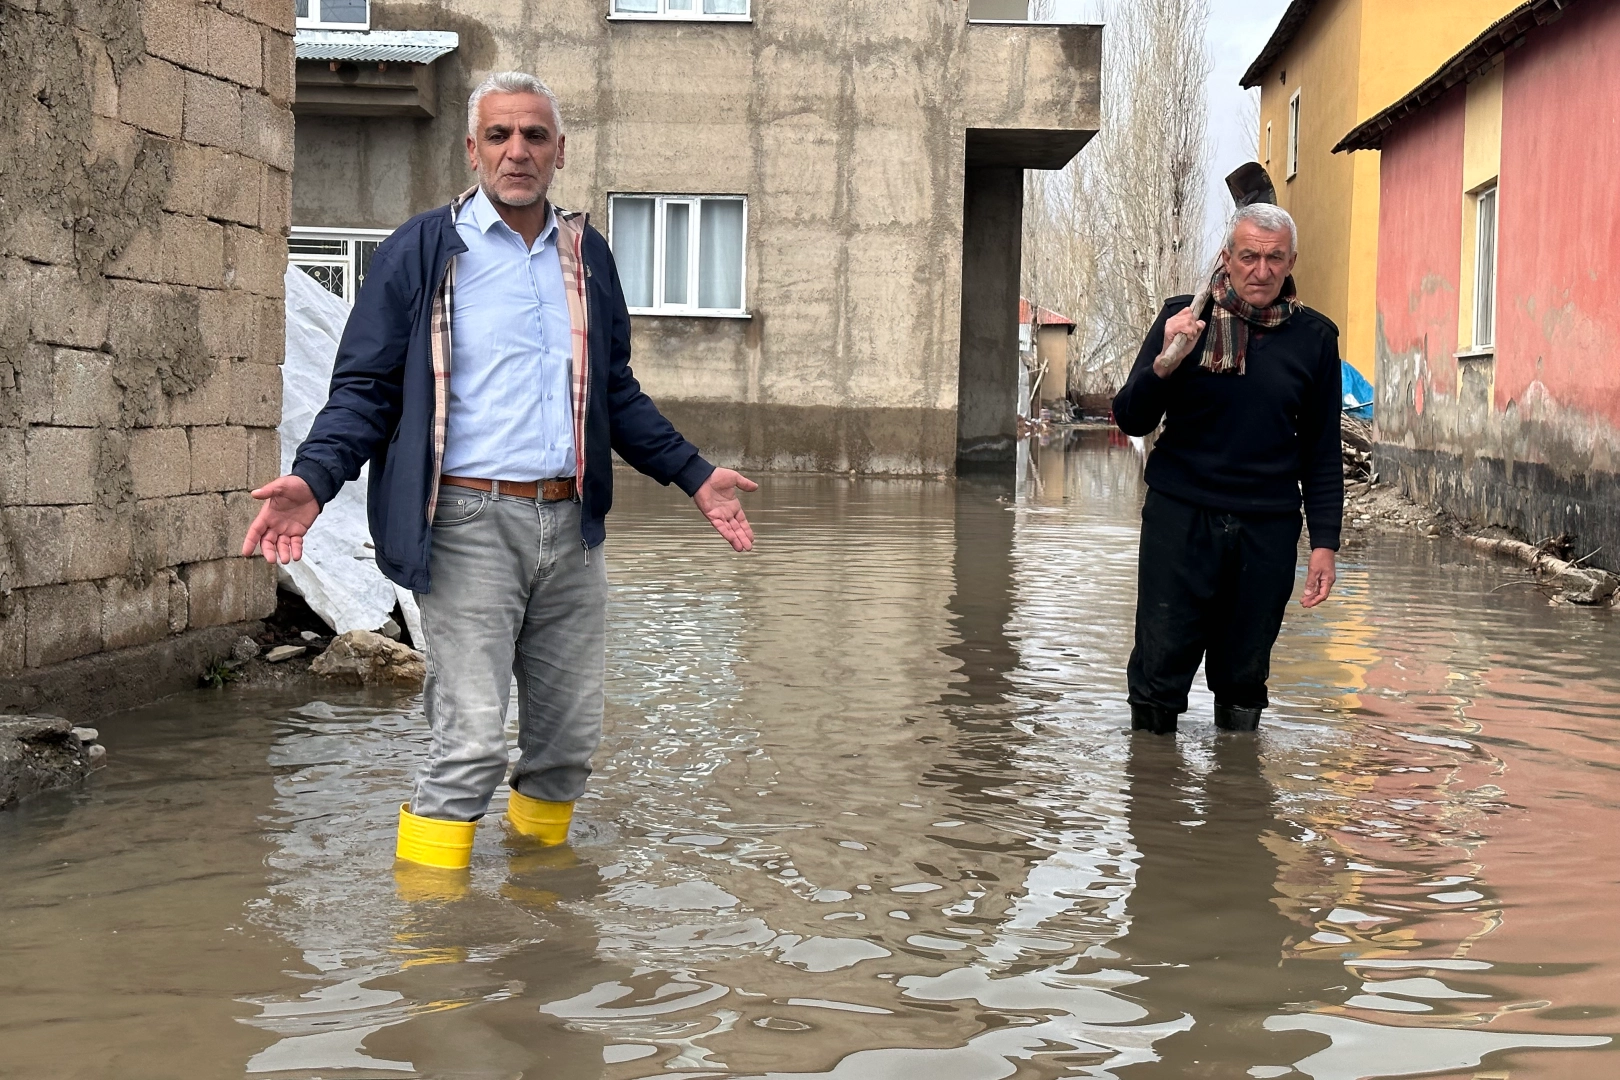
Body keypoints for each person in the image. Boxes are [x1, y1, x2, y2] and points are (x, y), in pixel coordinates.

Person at [241, 71, 757, 871]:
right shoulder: (421, 251)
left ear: (559, 152)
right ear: (473, 148)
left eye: (535, 136)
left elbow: (613, 393)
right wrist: (314, 480)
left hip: (572, 527)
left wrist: (694, 474)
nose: (517, 151)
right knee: (472, 743)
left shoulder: (589, 257)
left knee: (565, 749)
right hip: (465, 525)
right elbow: (365, 391)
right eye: (499, 136)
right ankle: (432, 960)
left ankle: (537, 915)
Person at [1112, 203, 1342, 735]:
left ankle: (1236, 790)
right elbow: (1131, 418)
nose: (1261, 271)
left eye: (1274, 259)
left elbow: (1321, 451)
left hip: (1268, 527)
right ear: (1227, 257)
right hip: (1180, 517)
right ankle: (1151, 791)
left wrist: (1324, 543)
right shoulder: (1184, 318)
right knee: (1158, 668)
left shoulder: (1314, 338)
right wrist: (1164, 363)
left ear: (1291, 262)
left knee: (1244, 675)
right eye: (1249, 257)